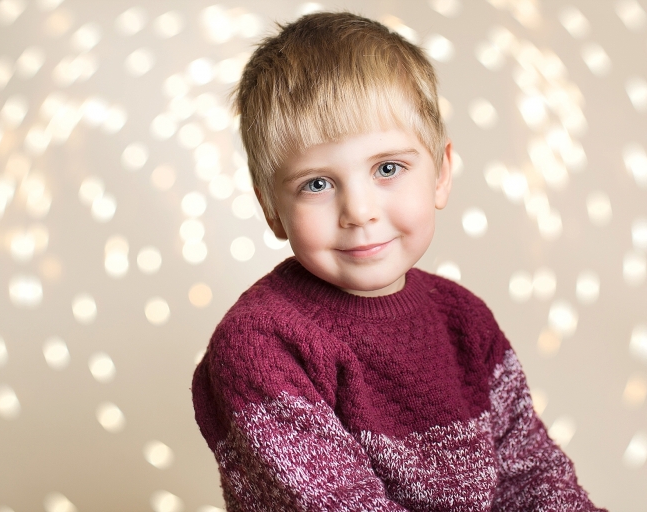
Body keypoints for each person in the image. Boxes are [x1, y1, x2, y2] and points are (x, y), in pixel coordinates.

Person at [192, 12, 605, 512]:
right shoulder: (261, 344)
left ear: (440, 175)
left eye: (388, 168)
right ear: (272, 210)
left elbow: (533, 476)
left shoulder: (464, 319)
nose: (359, 212)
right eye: (316, 184)